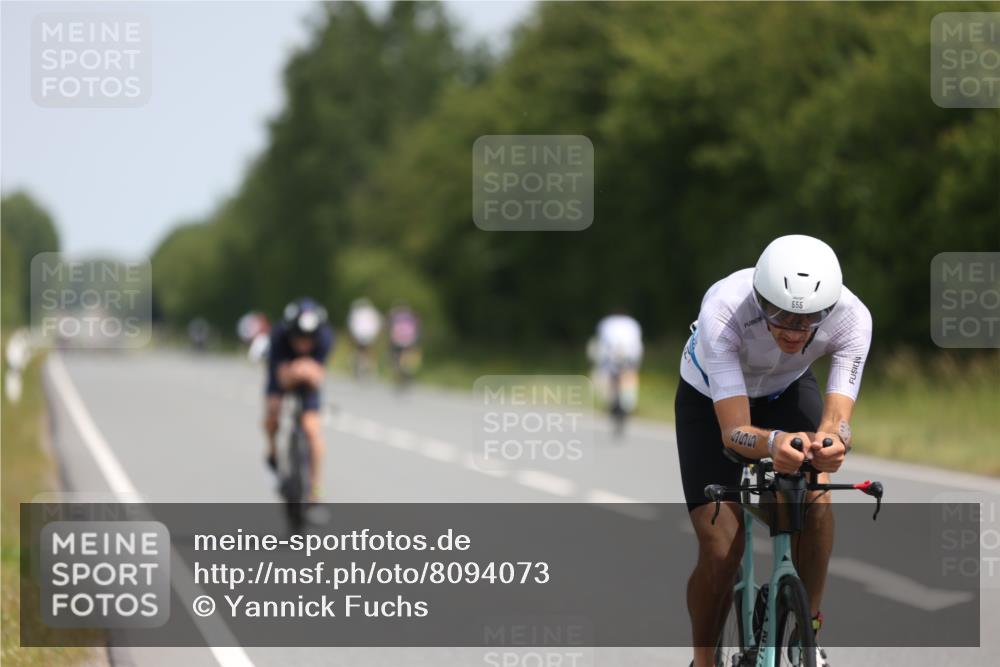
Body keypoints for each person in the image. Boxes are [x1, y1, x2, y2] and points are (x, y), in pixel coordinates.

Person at [676, 235, 871, 667]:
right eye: (778, 314)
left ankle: (808, 631)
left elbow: (837, 419)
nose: (791, 329)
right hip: (710, 400)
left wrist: (835, 442)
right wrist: (772, 443)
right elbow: (733, 432)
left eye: (807, 320)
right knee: (722, 550)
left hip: (786, 390)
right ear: (759, 297)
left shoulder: (852, 318)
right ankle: (703, 661)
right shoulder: (724, 309)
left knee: (816, 497)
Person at [263, 298, 333, 501]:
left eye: (309, 338)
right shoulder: (278, 337)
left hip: (308, 380)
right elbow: (280, 376)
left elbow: (318, 375)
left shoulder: (325, 337)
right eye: (299, 337)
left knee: (312, 430)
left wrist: (307, 372)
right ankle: (272, 451)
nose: (304, 343)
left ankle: (315, 490)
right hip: (284, 372)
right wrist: (294, 372)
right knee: (273, 411)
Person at [588, 310, 643, 430]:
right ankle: (628, 404)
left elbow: (600, 344)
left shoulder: (606, 323)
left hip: (611, 355)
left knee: (601, 376)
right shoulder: (632, 324)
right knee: (630, 376)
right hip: (628, 356)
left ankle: (613, 401)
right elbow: (637, 347)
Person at [346, 297, 382, 379]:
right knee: (368, 351)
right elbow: (377, 323)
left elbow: (351, 324)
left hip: (359, 334)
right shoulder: (373, 312)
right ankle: (370, 368)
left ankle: (362, 366)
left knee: (360, 350)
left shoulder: (357, 312)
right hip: (370, 334)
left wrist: (352, 335)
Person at [387, 304, 421, 386]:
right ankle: (406, 369)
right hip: (409, 340)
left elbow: (390, 329)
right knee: (407, 355)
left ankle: (400, 371)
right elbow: (417, 329)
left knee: (396, 357)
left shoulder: (395, 317)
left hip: (397, 340)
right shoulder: (412, 318)